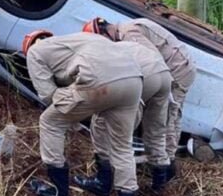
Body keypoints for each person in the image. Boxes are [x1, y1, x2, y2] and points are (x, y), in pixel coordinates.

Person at [23, 30, 143, 196]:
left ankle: (57, 191)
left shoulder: (35, 52)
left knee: (50, 122)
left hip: (99, 81)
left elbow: (48, 96)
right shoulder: (79, 39)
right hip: (133, 79)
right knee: (123, 147)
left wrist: (71, 118)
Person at [82, 17, 197, 181]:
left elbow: (151, 61)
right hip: (170, 69)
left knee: (167, 117)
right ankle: (160, 165)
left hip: (176, 70)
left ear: (104, 32)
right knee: (161, 117)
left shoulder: (129, 34)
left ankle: (167, 168)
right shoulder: (126, 30)